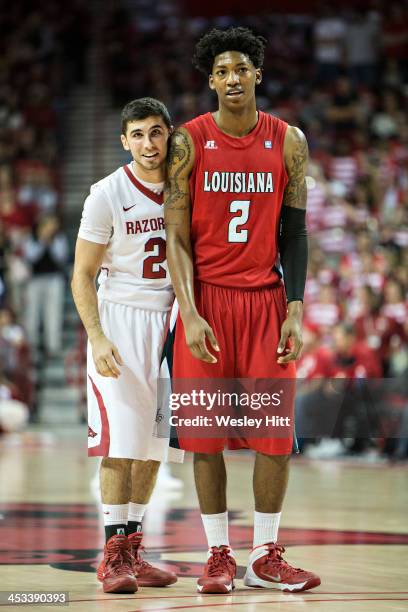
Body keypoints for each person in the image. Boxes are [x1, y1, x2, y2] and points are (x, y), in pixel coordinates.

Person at [165, 27, 320, 594]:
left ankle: (266, 554)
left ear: (258, 74)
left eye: (242, 69)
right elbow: (175, 236)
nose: (233, 79)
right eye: (222, 71)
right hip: (205, 301)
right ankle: (218, 554)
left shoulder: (288, 141)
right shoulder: (188, 141)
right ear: (211, 81)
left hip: (264, 301)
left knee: (274, 434)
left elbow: (296, 234)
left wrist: (296, 307)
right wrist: (190, 309)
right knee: (205, 437)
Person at [71, 97, 182, 594]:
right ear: (124, 140)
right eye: (137, 134)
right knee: (118, 444)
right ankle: (112, 554)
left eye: (155, 132)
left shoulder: (185, 189)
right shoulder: (106, 194)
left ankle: (134, 548)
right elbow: (82, 275)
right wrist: (96, 337)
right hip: (120, 323)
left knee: (155, 445)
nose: (147, 143)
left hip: (172, 322)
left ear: (169, 134)